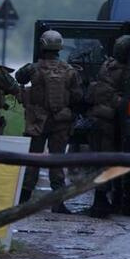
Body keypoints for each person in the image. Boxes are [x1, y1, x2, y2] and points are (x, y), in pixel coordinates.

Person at [16, 29, 83, 211]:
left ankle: (23, 200)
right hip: (61, 122)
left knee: (33, 160)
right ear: (59, 47)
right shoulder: (70, 71)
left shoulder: (33, 69)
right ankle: (58, 202)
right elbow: (78, 97)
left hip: (38, 121)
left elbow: (18, 77)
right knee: (57, 160)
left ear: (42, 46)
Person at [85, 35, 130, 217]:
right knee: (109, 161)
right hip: (110, 121)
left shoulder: (107, 66)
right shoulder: (125, 71)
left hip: (97, 118)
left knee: (100, 160)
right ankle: (102, 201)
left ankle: (103, 198)